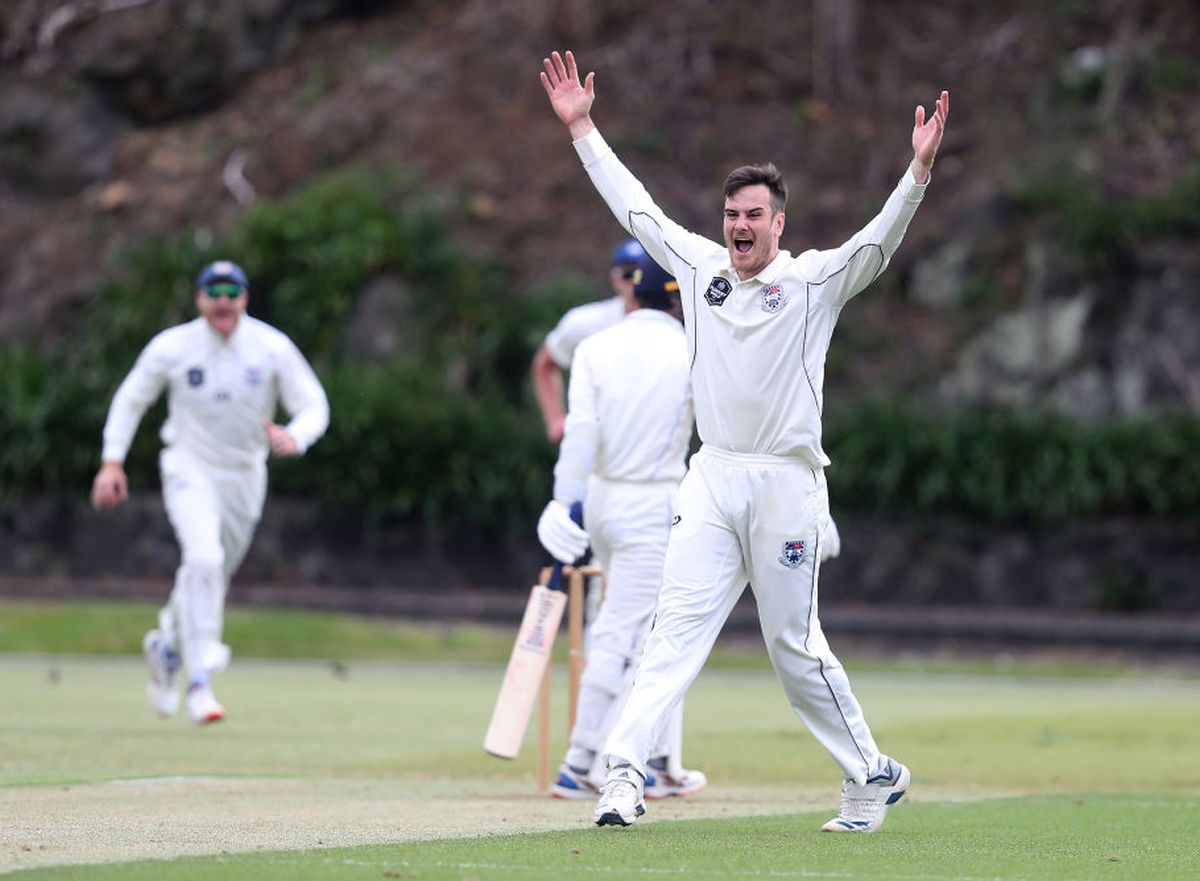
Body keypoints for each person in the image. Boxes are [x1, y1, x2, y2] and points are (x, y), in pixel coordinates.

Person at [540, 50, 949, 831]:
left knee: (793, 648)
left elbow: (878, 242)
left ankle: (869, 771)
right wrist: (584, 129)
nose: (739, 228)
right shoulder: (700, 270)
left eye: (754, 215)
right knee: (671, 634)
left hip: (787, 484)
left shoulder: (812, 282)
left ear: (778, 223)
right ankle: (621, 777)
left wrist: (917, 174)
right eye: (732, 216)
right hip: (713, 479)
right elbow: (637, 210)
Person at [90, 260, 330, 726]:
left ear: (244, 298)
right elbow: (131, 398)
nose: (223, 300)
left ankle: (166, 646)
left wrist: (296, 437)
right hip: (188, 467)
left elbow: (313, 403)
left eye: (232, 291)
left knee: (210, 575)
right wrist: (112, 460)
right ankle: (200, 678)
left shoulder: (271, 346)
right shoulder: (173, 346)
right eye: (213, 291)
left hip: (245, 476)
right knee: (203, 559)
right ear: (199, 298)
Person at [536, 254, 706, 803]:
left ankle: (656, 761)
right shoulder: (693, 351)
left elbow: (579, 433)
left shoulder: (595, 347)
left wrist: (564, 502)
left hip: (603, 500)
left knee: (658, 629)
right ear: (679, 302)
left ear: (633, 295)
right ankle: (583, 761)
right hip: (653, 504)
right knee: (627, 632)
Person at [531, 237, 646, 444]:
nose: (636, 281)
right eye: (629, 273)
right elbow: (545, 364)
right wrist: (555, 420)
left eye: (643, 273)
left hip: (652, 447)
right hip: (593, 447)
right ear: (615, 278)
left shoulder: (679, 326)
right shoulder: (584, 322)